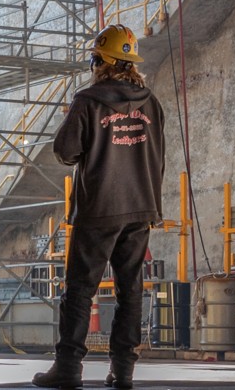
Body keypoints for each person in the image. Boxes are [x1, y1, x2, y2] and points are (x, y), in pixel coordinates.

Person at [33, 25, 166, 390]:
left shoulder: (88, 101)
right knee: (131, 290)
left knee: (80, 290)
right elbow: (158, 159)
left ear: (100, 61)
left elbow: (65, 151)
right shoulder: (151, 103)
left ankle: (69, 369)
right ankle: (123, 372)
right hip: (141, 207)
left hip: (100, 209)